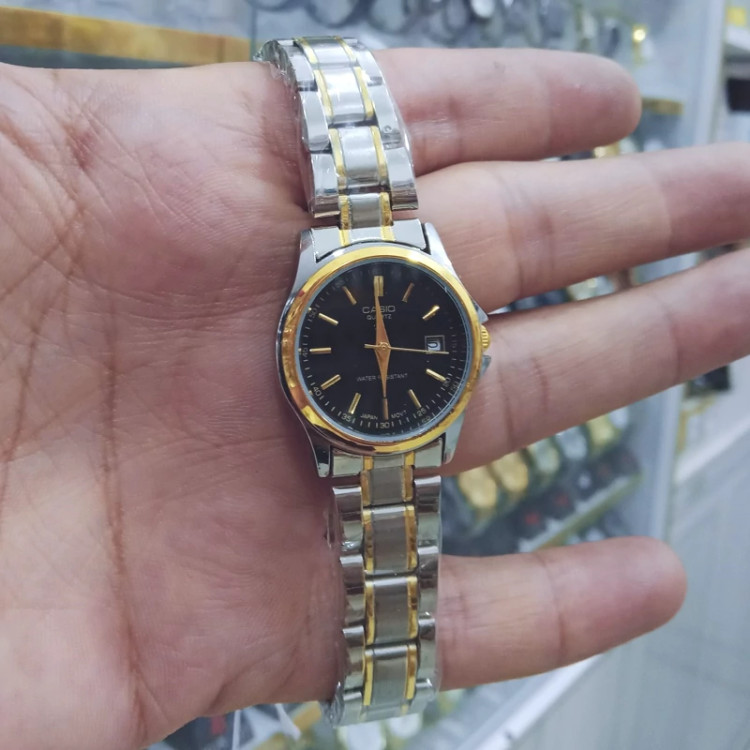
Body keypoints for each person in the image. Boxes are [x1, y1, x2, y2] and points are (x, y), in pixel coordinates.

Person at [1, 46, 748, 750]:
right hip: (360, 423)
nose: (384, 350)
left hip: (391, 420)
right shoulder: (321, 296)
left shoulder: (416, 315)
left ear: (474, 339)